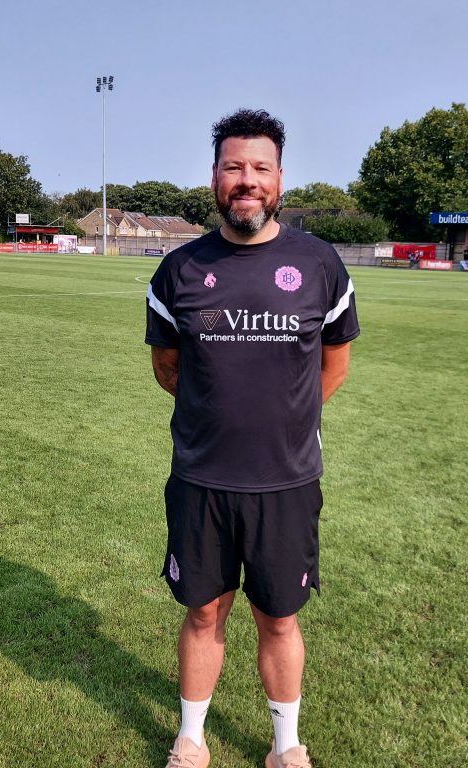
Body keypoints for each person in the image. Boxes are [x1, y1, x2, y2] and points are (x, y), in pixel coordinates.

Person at [146, 109, 359, 768]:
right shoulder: (177, 270)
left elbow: (334, 364)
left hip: (286, 482)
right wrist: (221, 416)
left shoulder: (319, 264)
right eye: (234, 167)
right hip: (202, 479)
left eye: (259, 168)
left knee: (280, 619)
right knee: (205, 614)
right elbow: (167, 368)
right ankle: (191, 737)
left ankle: (286, 745)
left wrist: (284, 419)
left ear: (279, 179)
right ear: (214, 176)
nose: (247, 180)